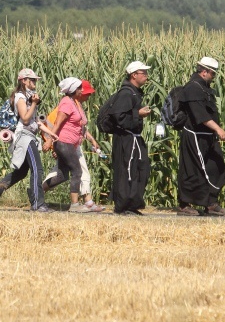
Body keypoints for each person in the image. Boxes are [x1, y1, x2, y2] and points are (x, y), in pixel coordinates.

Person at [0, 68, 59, 212]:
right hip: (24, 137)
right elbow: (25, 119)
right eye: (31, 80)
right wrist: (35, 104)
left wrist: (51, 134)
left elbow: (35, 121)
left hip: (29, 135)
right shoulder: (20, 97)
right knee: (37, 169)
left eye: (35, 79)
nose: (34, 82)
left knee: (21, 172)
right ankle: (37, 204)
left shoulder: (29, 96)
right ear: (23, 81)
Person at [42, 79, 105, 212]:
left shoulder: (74, 103)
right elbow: (58, 123)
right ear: (73, 90)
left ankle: (37, 192)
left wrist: (92, 140)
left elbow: (79, 125)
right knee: (77, 171)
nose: (82, 91)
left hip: (71, 143)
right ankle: (75, 205)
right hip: (65, 142)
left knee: (62, 175)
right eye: (79, 88)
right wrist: (49, 141)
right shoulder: (66, 103)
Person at [176, 57, 225, 217]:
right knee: (192, 171)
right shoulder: (193, 88)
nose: (214, 77)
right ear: (204, 72)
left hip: (207, 136)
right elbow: (200, 115)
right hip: (195, 136)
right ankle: (185, 205)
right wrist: (218, 128)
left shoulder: (203, 87)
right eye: (213, 74)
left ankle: (210, 203)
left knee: (215, 167)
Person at [106, 61, 152, 215]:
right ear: (134, 75)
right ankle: (123, 206)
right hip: (126, 138)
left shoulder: (134, 93)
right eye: (143, 73)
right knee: (127, 171)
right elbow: (119, 117)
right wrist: (138, 114)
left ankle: (132, 204)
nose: (146, 76)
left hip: (134, 137)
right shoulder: (126, 93)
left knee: (140, 169)